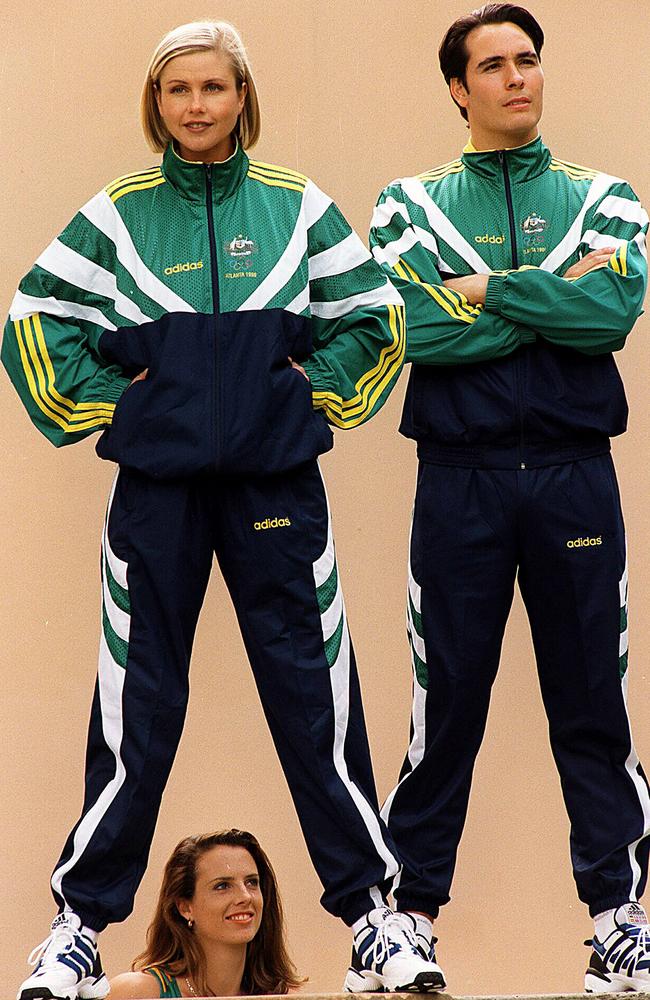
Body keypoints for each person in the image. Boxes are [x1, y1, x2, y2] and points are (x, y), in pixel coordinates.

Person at [3, 19, 444, 1000]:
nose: (195, 106)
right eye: (176, 91)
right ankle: (75, 930)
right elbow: (33, 321)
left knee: (314, 700)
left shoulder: (295, 209)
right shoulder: (116, 217)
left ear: (242, 96)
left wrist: (302, 399)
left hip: (276, 487)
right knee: (137, 703)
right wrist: (125, 406)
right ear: (155, 106)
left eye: (212, 88)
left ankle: (376, 922)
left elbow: (377, 317)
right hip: (155, 494)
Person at [365, 1, 650, 994]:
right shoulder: (404, 203)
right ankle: (404, 924)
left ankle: (618, 921)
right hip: (459, 476)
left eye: (527, 60)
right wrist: (540, 295)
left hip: (575, 472)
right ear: (458, 88)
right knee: (445, 706)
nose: (516, 77)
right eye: (492, 65)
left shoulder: (605, 196)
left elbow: (608, 312)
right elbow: (414, 333)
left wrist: (479, 287)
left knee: (590, 704)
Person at [109, 829, 301, 998]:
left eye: (251, 882)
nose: (245, 897)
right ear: (185, 907)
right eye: (223, 886)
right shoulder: (137, 993)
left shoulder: (285, 997)